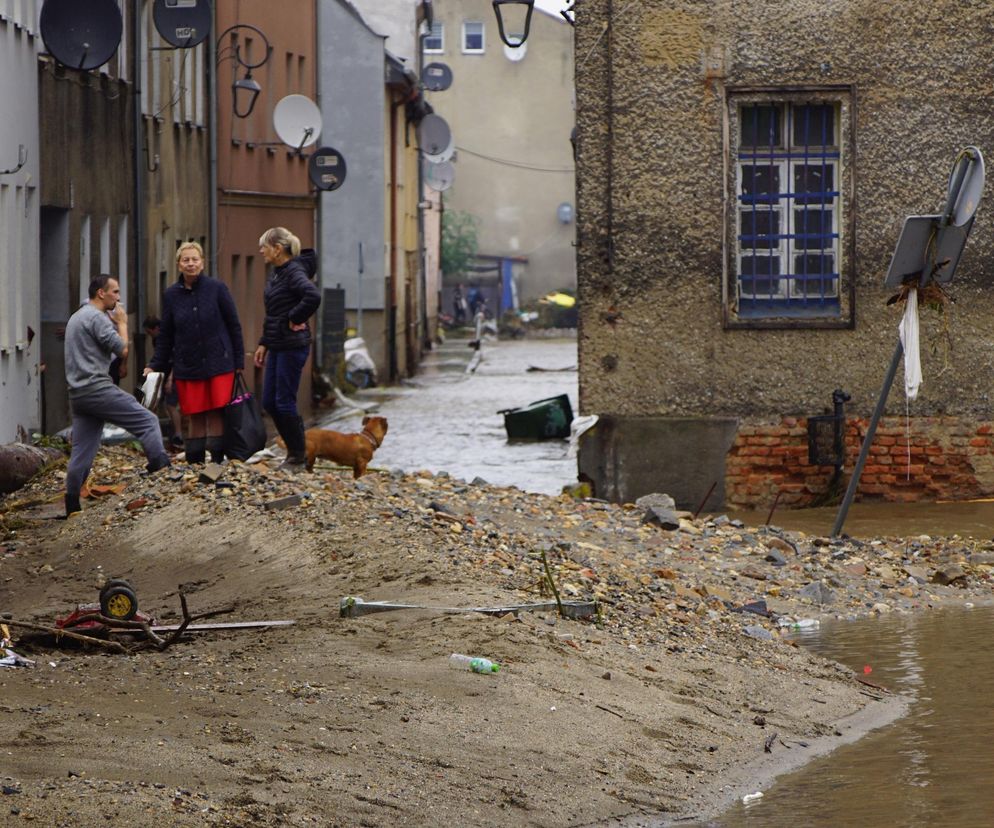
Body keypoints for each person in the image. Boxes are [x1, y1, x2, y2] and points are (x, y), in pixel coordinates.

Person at [63, 275, 171, 517]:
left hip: (77, 394)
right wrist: (122, 324)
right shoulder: (96, 317)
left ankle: (71, 505)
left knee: (83, 449)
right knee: (148, 421)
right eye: (115, 292)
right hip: (97, 388)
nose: (119, 298)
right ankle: (162, 472)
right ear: (101, 293)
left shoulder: (76, 317)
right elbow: (121, 348)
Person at [145, 241, 245, 464]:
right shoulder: (171, 295)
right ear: (179, 265)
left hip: (219, 361)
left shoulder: (217, 288)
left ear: (202, 263)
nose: (191, 264)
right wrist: (156, 364)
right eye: (186, 260)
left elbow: (233, 325)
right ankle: (195, 462)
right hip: (188, 364)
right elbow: (167, 335)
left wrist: (238, 360)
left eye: (195, 259)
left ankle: (217, 461)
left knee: (216, 411)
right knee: (195, 412)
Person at [253, 227, 320, 471]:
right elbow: (274, 312)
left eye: (264, 246)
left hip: (293, 345)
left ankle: (297, 457)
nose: (261, 251)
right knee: (270, 402)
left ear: (278, 249)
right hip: (277, 343)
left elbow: (312, 296)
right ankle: (295, 454)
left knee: (283, 402)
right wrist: (264, 342)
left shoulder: (293, 272)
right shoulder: (278, 273)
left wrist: (295, 317)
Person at [143, 316, 183, 450]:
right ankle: (174, 433)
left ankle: (178, 434)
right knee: (166, 405)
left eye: (150, 332)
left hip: (171, 375)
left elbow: (173, 358)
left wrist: (171, 378)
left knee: (171, 405)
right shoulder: (159, 340)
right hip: (164, 374)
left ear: (156, 329)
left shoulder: (166, 340)